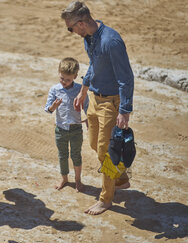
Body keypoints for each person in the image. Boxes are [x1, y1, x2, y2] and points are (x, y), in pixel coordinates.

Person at [61, 1, 134, 215]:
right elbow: (93, 63)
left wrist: (125, 110)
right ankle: (120, 177)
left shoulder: (111, 42)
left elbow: (126, 77)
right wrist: (84, 89)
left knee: (106, 151)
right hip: (94, 97)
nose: (71, 31)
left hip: (112, 104)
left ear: (81, 23)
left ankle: (106, 199)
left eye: (70, 28)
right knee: (94, 144)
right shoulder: (89, 38)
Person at [45, 57, 89, 192]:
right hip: (60, 129)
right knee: (62, 154)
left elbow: (87, 106)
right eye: (62, 78)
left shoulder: (80, 90)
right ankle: (64, 178)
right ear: (59, 73)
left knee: (76, 154)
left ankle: (78, 180)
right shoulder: (54, 89)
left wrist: (88, 118)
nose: (64, 82)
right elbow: (48, 109)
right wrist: (53, 106)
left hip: (76, 128)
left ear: (75, 76)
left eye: (68, 80)